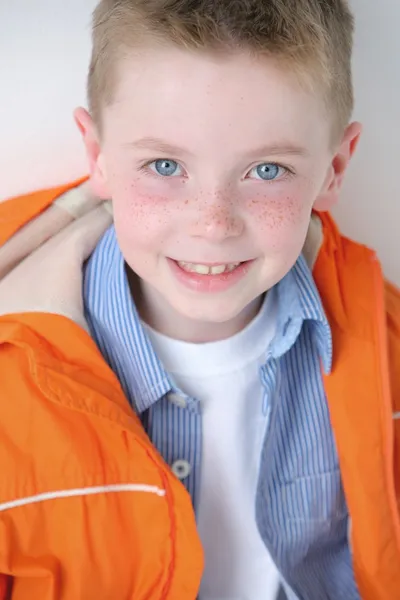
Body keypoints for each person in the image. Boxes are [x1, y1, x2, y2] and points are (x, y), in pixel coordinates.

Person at [0, 0, 399, 598]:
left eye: (266, 171)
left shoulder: (387, 351)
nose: (213, 224)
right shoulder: (13, 379)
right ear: (98, 155)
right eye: (165, 165)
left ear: (334, 167)